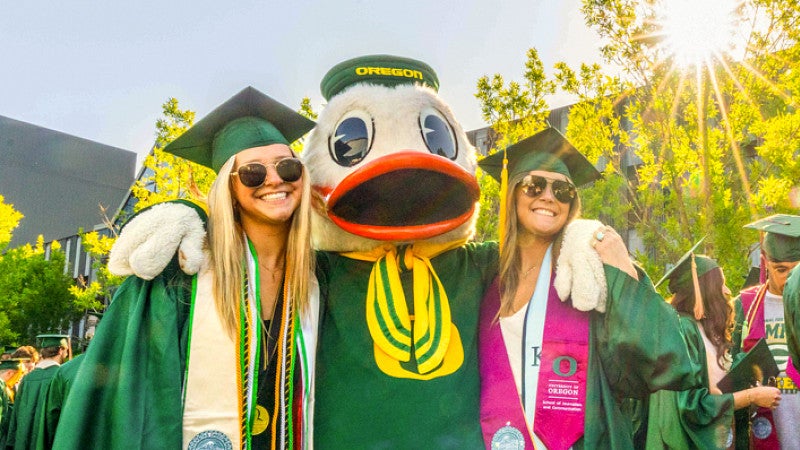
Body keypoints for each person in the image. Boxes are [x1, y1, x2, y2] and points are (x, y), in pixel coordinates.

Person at [52, 86, 317, 450]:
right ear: (229, 187)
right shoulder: (179, 277)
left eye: (288, 167)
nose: (275, 180)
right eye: (253, 173)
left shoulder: (323, 278)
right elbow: (130, 405)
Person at [476, 128, 704, 449]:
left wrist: (619, 265)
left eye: (562, 190)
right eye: (534, 186)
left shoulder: (590, 272)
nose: (548, 197)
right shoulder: (483, 274)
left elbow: (662, 361)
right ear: (512, 192)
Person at [646, 247, 780, 449]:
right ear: (703, 290)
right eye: (721, 284)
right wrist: (751, 397)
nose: (727, 291)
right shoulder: (682, 331)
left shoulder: (699, 328)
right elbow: (691, 406)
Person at [732, 214, 800, 449]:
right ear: (764, 262)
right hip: (764, 423)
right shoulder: (745, 306)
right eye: (781, 270)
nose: (788, 280)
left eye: (796, 271)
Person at [6, 336, 69, 449]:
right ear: (60, 350)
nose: (67, 354)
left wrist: (11, 443)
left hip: (23, 441)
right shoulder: (62, 377)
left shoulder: (27, 378)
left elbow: (16, 414)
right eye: (66, 350)